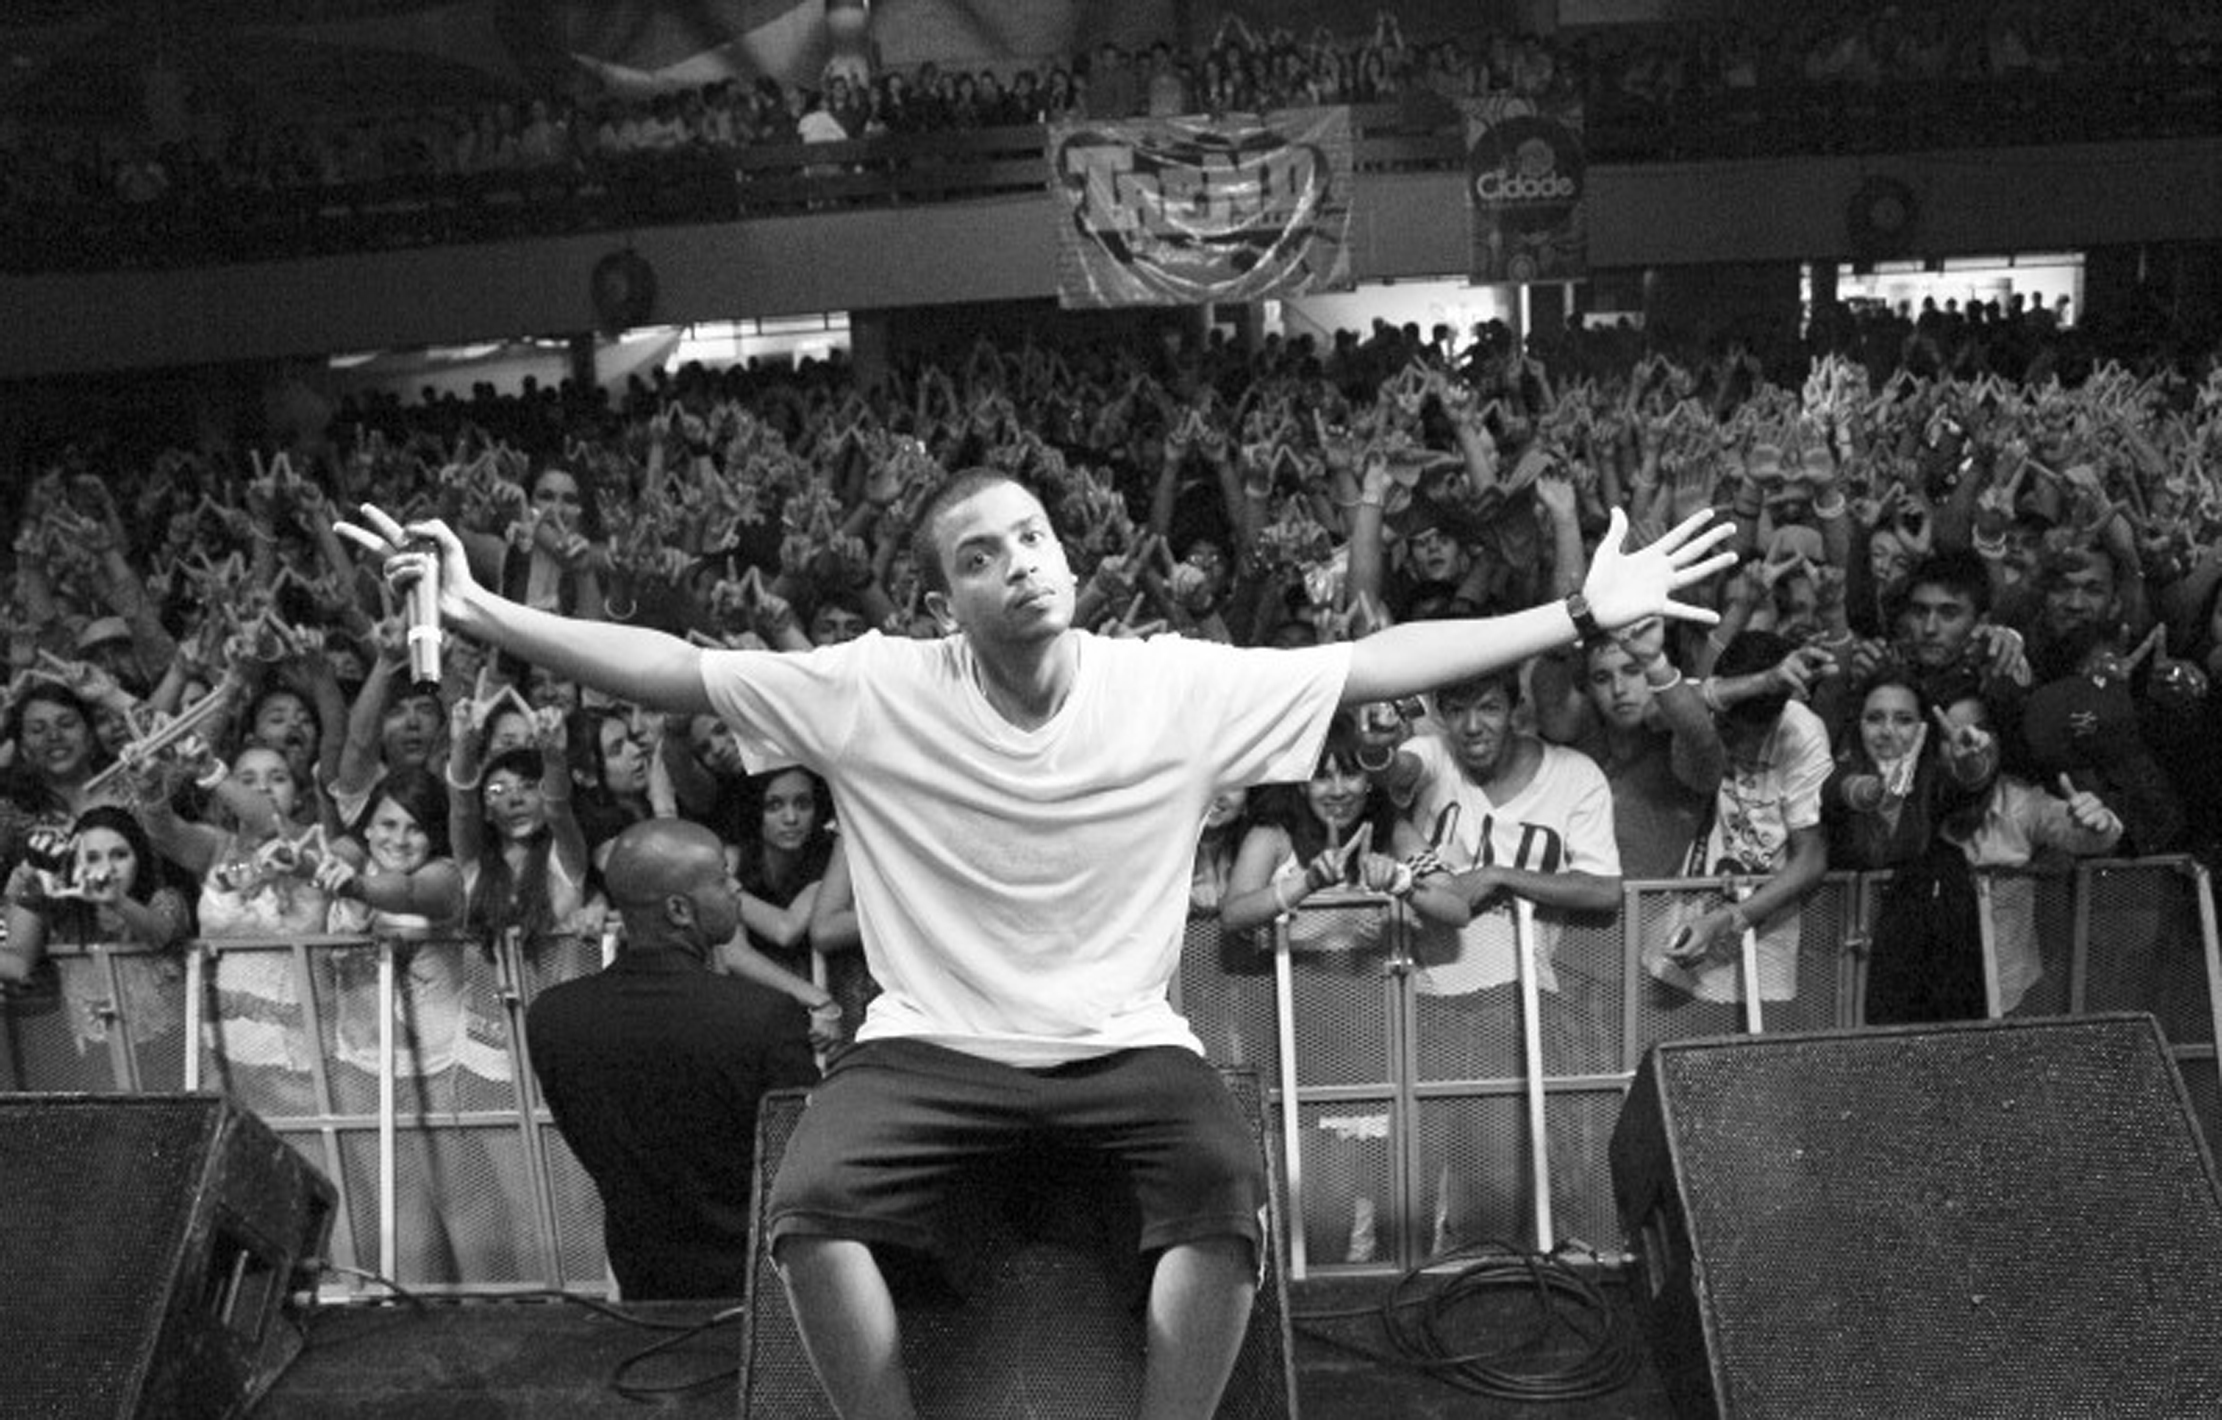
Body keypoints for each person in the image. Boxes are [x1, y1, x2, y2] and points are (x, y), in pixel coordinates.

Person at [341, 475, 1729, 1420]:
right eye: (979, 555)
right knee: (808, 1210)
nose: (1017, 564)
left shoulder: (1170, 685)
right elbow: (670, 665)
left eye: (1031, 538)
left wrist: (1577, 613)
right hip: (927, 1043)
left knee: (1221, 1193)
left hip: (1123, 1038)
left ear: (1065, 559)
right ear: (944, 600)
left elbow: (1377, 661)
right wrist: (480, 611)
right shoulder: (877, 687)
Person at [525, 818, 829, 1299]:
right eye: (723, 878)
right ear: (679, 910)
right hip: (757, 1285)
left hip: (642, 1277)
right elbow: (804, 1163)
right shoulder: (763, 1017)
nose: (736, 888)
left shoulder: (552, 1017)